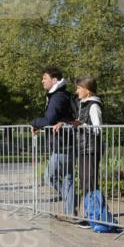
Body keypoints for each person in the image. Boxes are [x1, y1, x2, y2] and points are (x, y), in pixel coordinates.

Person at [55, 76, 102, 227]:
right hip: (82, 148)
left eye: (79, 88)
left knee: (89, 182)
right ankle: (91, 215)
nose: (76, 91)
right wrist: (66, 123)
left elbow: (98, 128)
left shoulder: (93, 106)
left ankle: (95, 217)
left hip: (91, 148)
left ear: (87, 90)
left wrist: (81, 125)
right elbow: (79, 123)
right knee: (84, 182)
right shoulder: (83, 104)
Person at [31, 66, 76, 217]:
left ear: (54, 80)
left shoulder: (57, 97)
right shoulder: (62, 95)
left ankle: (72, 202)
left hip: (62, 144)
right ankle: (70, 212)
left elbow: (49, 120)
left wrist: (34, 122)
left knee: (49, 177)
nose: (42, 81)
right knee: (68, 178)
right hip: (67, 142)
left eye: (45, 78)